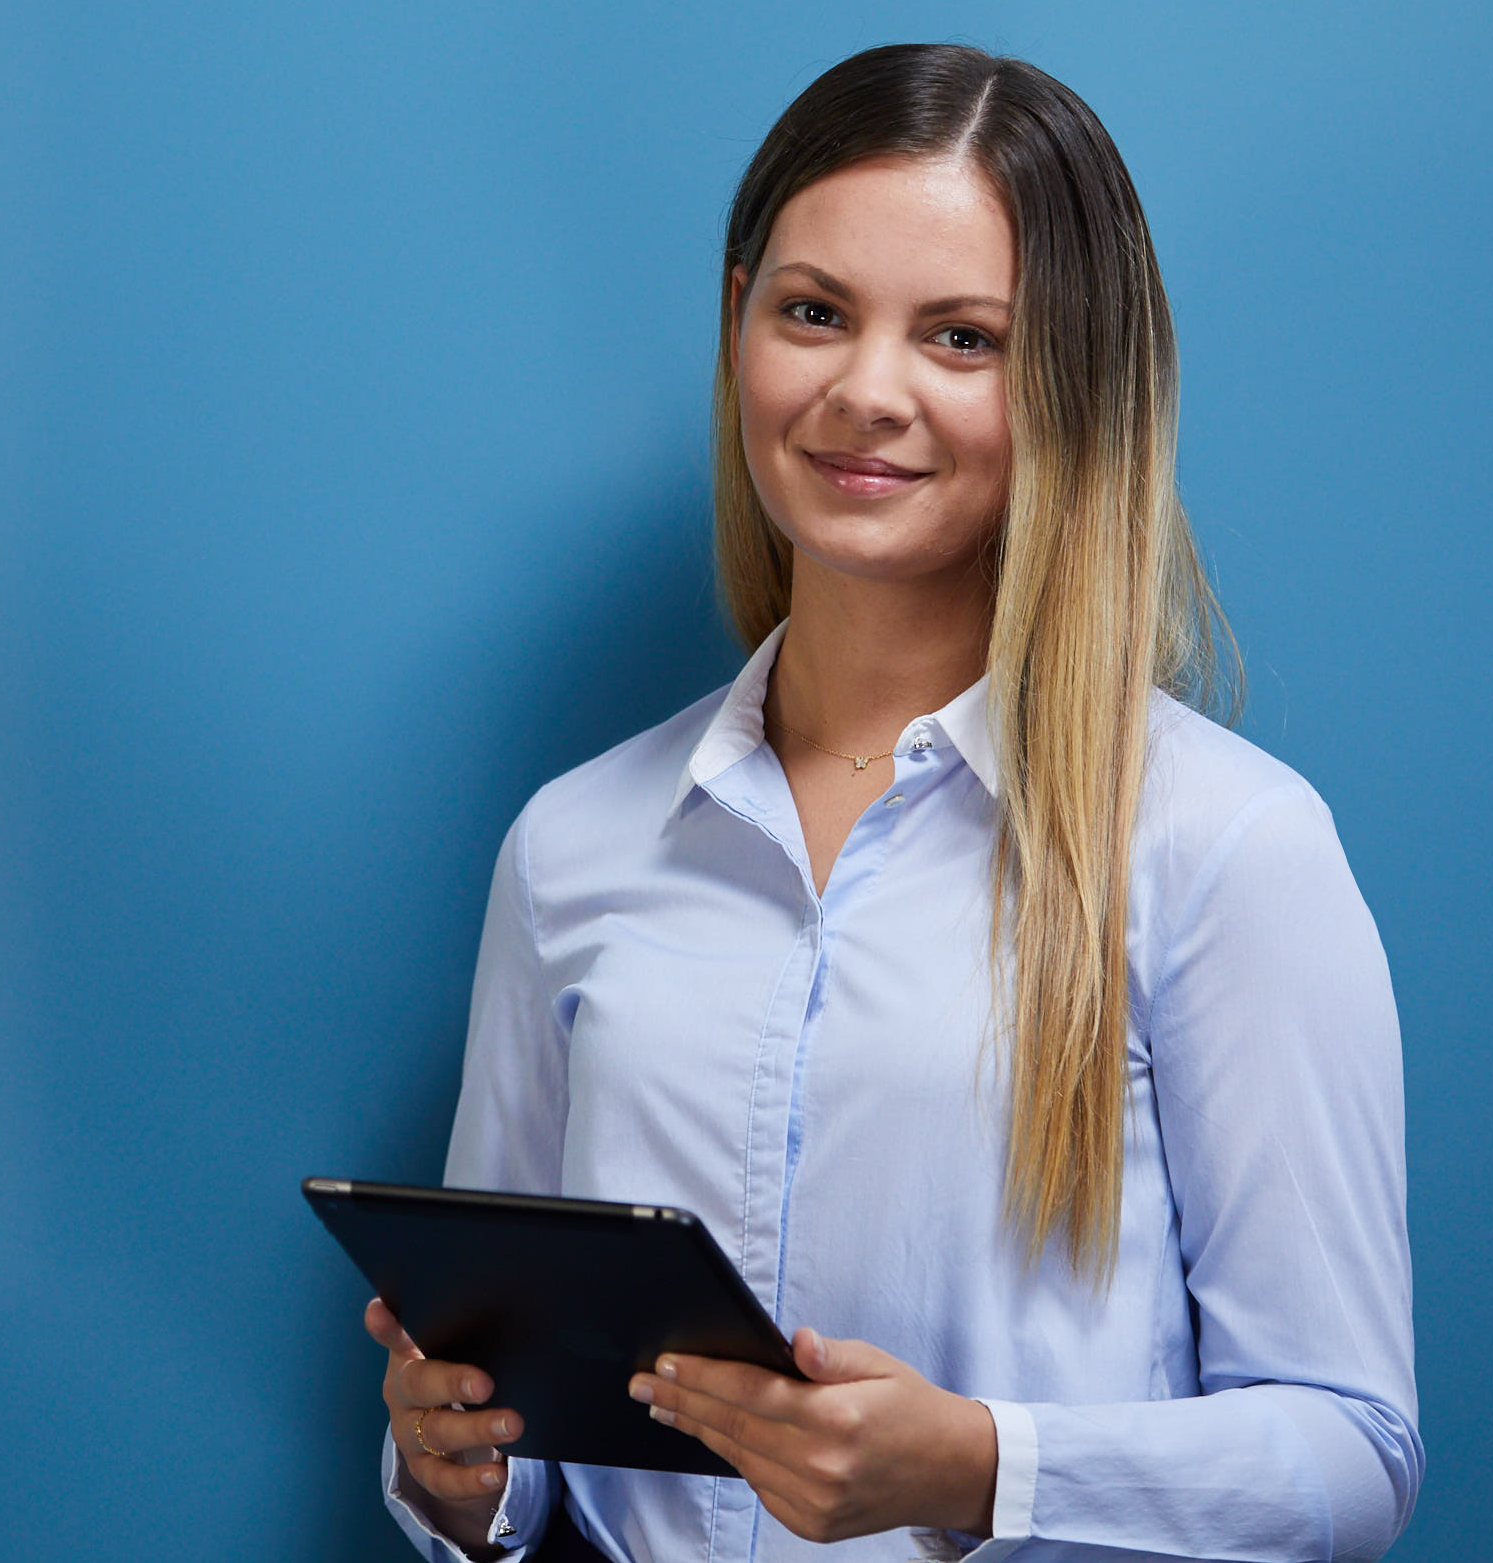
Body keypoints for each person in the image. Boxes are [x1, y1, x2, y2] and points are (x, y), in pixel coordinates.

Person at [360, 42, 1420, 1563]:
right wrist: (464, 1475)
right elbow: (524, 1433)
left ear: (1069, 375)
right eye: (814, 313)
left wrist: (985, 1469)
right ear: (739, 322)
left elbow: (1350, 1452)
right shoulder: (573, 847)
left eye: (963, 338)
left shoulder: (1223, 847)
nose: (868, 392)